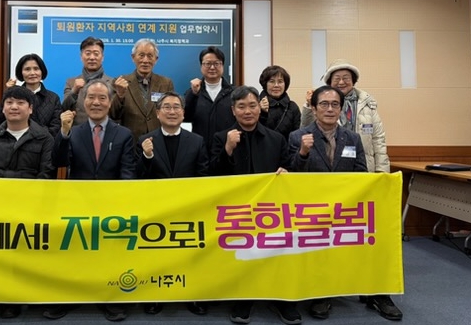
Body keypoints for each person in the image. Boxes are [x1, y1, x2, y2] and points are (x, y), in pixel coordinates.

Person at [289, 85, 402, 321]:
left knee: (372, 243)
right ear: (314, 108)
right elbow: (292, 177)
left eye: (335, 105)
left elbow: (361, 172)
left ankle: (377, 293)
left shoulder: (352, 138)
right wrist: (303, 153)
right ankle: (322, 295)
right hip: (314, 211)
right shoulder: (298, 137)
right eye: (324, 104)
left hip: (347, 209)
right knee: (320, 252)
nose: (330, 109)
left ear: (341, 109)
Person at [0, 86, 55, 319]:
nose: (14, 107)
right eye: (9, 103)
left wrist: (25, 197)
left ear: (30, 109)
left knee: (18, 255)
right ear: (3, 108)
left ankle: (10, 298)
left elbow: (46, 174)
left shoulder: (44, 137)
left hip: (28, 205)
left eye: (20, 103)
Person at [51, 79, 135, 322]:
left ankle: (110, 299)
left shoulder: (124, 134)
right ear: (83, 101)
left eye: (102, 98)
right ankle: (70, 297)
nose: (96, 102)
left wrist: (121, 203)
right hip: (79, 204)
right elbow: (58, 161)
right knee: (76, 254)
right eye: (91, 97)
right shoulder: (73, 132)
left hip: (112, 206)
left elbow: (128, 172)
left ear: (110, 102)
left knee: (109, 255)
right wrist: (63, 133)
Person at [210, 86, 294, 325]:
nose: (247, 111)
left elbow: (289, 168)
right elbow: (211, 176)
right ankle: (243, 298)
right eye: (241, 106)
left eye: (252, 105)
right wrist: (228, 148)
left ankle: (281, 299)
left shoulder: (276, 139)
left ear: (260, 108)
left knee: (277, 254)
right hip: (236, 212)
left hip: (270, 212)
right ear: (233, 110)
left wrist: (286, 173)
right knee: (242, 255)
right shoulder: (221, 137)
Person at [136, 91, 209, 316]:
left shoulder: (197, 141)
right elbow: (137, 179)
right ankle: (156, 295)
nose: (172, 111)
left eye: (176, 107)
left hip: (188, 209)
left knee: (189, 255)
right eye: (166, 107)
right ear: (158, 113)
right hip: (156, 210)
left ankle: (193, 295)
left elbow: (203, 176)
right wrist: (147, 156)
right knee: (158, 255)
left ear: (183, 113)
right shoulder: (145, 141)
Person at [300, 59, 390, 173]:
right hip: (331, 167)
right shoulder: (322, 103)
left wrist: (382, 170)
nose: (341, 82)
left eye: (346, 78)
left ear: (353, 80)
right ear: (329, 82)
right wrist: (309, 105)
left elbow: (378, 139)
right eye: (337, 79)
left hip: (364, 168)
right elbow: (305, 130)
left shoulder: (367, 104)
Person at [110, 38, 174, 143]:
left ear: (156, 59)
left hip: (158, 143)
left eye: (150, 56)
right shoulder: (120, 82)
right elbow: (113, 115)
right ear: (133, 57)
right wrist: (120, 95)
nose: (145, 60)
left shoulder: (166, 83)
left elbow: (170, 114)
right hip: (130, 143)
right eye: (141, 55)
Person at [183, 46, 236, 152]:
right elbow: (185, 117)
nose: (212, 67)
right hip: (199, 149)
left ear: (223, 66)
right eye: (207, 64)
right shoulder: (192, 92)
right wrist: (193, 95)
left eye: (216, 63)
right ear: (201, 66)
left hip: (227, 149)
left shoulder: (234, 93)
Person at [6, 53, 61, 138]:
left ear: (42, 71)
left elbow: (56, 127)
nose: (32, 73)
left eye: (36, 69)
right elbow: (4, 122)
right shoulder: (13, 96)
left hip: (45, 143)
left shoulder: (54, 98)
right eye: (27, 69)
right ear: (21, 72)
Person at [62, 36, 114, 125]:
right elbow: (64, 108)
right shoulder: (71, 82)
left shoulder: (112, 83)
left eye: (96, 54)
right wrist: (74, 91)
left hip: (106, 131)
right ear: (81, 56)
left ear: (102, 57)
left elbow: (116, 113)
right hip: (78, 131)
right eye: (88, 53)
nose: (92, 57)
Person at [258, 65, 301, 141]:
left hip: (286, 148)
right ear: (265, 84)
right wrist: (262, 113)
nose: (276, 85)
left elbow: (297, 135)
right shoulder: (256, 105)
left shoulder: (292, 107)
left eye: (280, 81)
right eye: (272, 81)